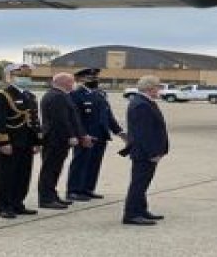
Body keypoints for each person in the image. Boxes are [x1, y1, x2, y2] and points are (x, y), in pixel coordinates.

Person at [0, 63, 42, 219]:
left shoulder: (29, 95)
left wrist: (37, 141)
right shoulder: (2, 95)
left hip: (26, 141)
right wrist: (3, 142)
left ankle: (18, 202)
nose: (25, 78)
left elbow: (34, 120)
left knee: (23, 175)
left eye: (27, 75)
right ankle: (3, 205)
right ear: (9, 76)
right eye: (21, 75)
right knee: (6, 175)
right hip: (10, 141)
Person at [67, 68, 124, 201]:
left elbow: (108, 115)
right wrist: (81, 135)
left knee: (94, 163)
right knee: (80, 163)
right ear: (81, 79)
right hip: (86, 136)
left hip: (101, 134)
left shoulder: (101, 94)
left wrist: (119, 132)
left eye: (96, 77)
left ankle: (88, 189)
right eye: (91, 78)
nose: (95, 80)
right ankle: (74, 190)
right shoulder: (75, 95)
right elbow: (75, 118)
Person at [121, 75, 168, 225]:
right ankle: (132, 214)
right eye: (158, 86)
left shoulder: (146, 102)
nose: (159, 89)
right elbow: (144, 133)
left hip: (146, 152)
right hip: (144, 153)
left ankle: (141, 210)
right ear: (150, 88)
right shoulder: (141, 104)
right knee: (138, 183)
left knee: (142, 183)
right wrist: (152, 153)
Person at [38, 72, 88, 209]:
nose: (73, 84)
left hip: (58, 138)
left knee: (55, 169)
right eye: (71, 82)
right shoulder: (56, 97)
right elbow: (61, 120)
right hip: (55, 138)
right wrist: (71, 136)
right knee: (50, 169)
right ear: (63, 82)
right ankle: (46, 199)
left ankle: (52, 195)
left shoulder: (60, 95)